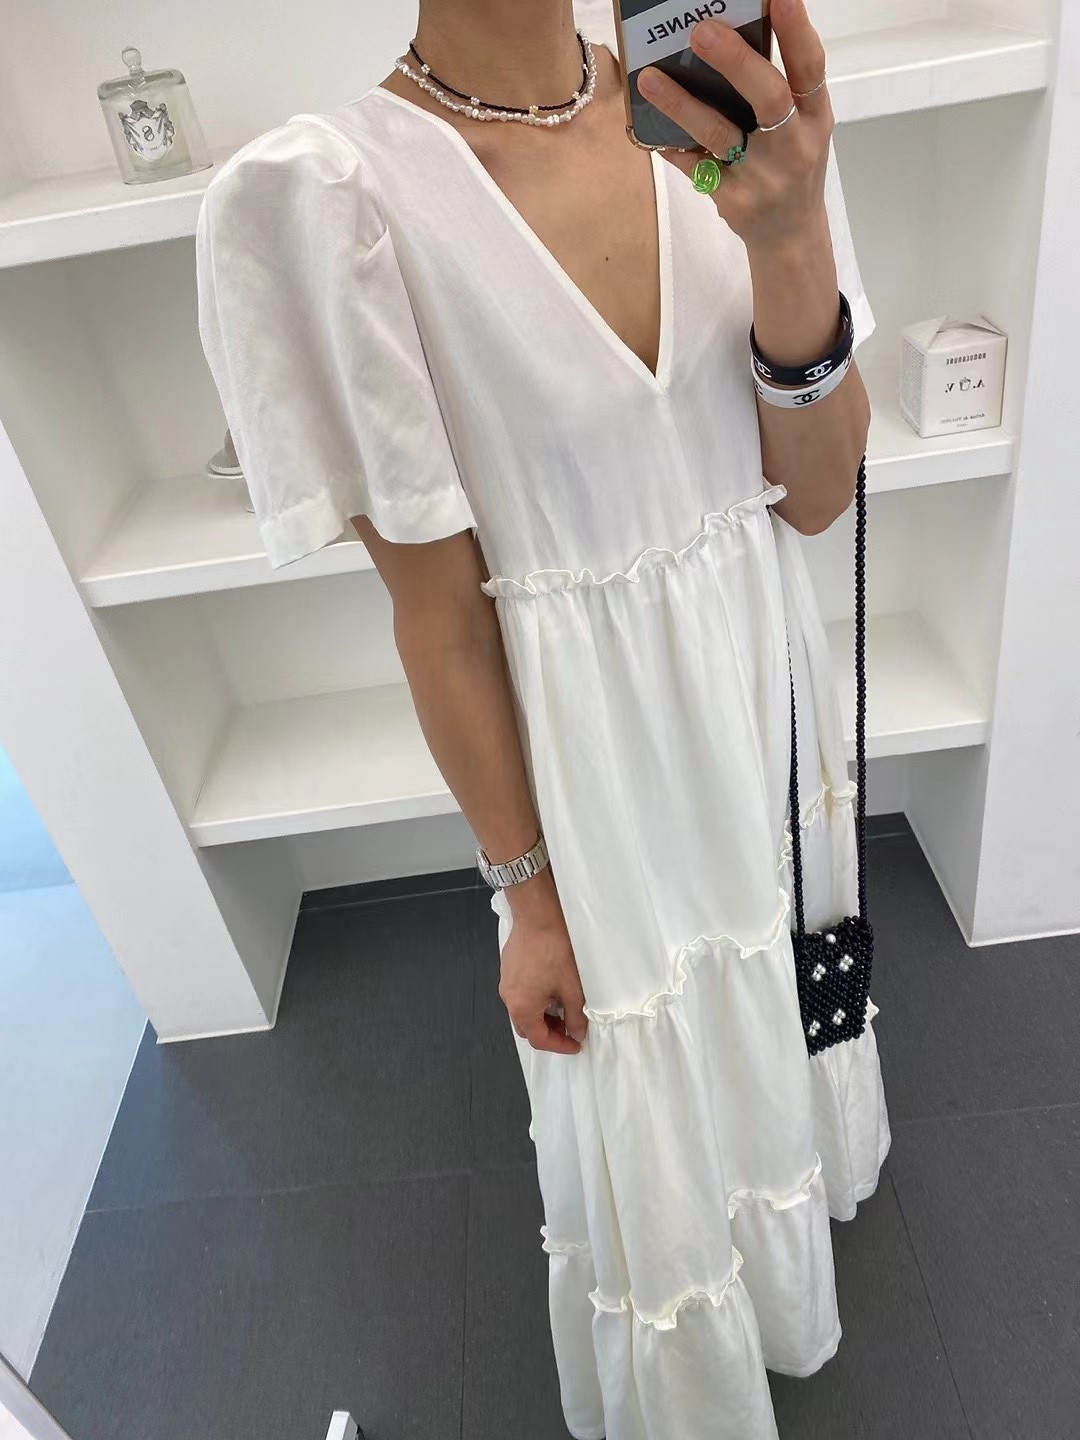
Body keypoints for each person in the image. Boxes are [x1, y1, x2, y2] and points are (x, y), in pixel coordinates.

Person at [195, 0, 891, 1433]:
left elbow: (818, 495)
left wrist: (787, 235)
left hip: (759, 681)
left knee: (772, 985)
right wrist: (528, 897)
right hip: (593, 763)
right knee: (642, 1070)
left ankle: (785, 1265)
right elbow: (440, 616)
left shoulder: (725, 120)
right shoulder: (331, 199)